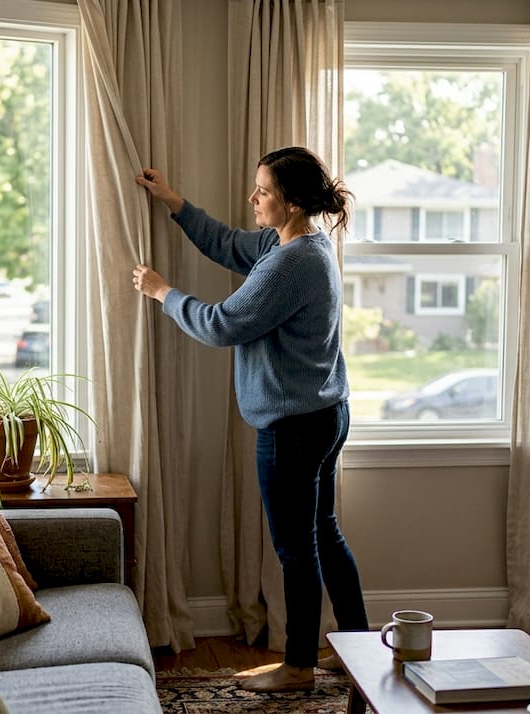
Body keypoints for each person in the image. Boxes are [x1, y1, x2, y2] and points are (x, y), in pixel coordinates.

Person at [133, 146, 368, 693]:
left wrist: (162, 291)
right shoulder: (299, 243)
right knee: (324, 535)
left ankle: (299, 667)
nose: (252, 198)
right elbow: (229, 244)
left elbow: (221, 324)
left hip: (293, 428)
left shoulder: (293, 262)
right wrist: (173, 201)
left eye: (262, 191)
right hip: (327, 413)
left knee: (297, 548)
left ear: (289, 201)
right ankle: (356, 649)